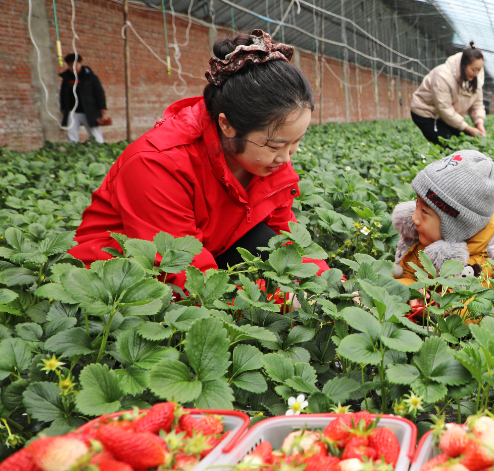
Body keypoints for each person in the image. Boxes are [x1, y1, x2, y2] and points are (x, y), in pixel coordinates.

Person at [69, 29, 327, 287]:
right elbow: (179, 268)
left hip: (210, 243)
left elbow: (286, 233)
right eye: (274, 145)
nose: (286, 157)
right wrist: (278, 300)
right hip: (123, 266)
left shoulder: (269, 162)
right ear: (228, 126)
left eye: (296, 141)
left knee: (274, 245)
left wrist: (330, 288)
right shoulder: (157, 162)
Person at [390, 149, 494, 304]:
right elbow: (403, 276)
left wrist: (459, 311)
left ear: (457, 225)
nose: (414, 218)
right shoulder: (419, 244)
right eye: (417, 203)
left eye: (424, 211)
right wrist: (410, 290)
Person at [410, 44, 487, 145]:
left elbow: (477, 104)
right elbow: (444, 109)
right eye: (473, 69)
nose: (476, 73)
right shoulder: (442, 75)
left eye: (479, 69)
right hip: (426, 113)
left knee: (467, 141)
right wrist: (469, 129)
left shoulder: (476, 79)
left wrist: (479, 124)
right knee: (447, 143)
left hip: (447, 116)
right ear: (463, 65)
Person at [59, 53, 107, 143]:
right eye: (69, 65)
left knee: (94, 133)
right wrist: (63, 108)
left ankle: (100, 149)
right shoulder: (66, 78)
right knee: (71, 132)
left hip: (89, 110)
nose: (72, 67)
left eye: (75, 65)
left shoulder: (90, 77)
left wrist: (102, 107)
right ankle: (74, 151)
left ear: (80, 63)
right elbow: (63, 94)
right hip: (72, 111)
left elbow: (99, 92)